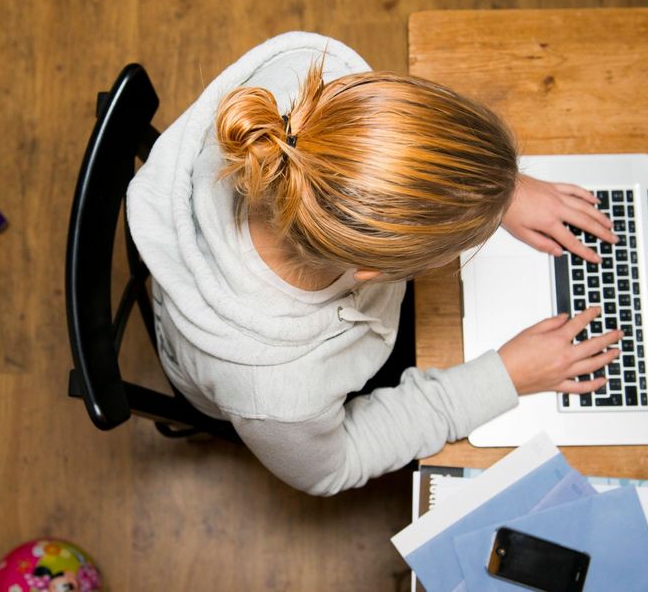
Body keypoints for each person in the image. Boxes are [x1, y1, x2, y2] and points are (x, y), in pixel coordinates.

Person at [126, 32, 621, 496]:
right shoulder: (277, 397)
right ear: (370, 273)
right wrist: (503, 378)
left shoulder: (302, 100)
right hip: (264, 372)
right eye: (461, 247)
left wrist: (491, 187)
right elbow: (333, 466)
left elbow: (384, 141)